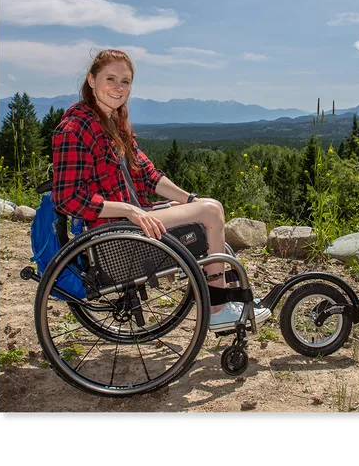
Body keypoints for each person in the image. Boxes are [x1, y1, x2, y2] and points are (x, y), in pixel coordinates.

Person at [51, 49, 270, 332]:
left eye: (125, 81)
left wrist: (190, 199)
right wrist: (130, 211)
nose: (119, 87)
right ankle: (218, 309)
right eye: (111, 79)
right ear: (92, 80)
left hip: (128, 223)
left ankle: (225, 298)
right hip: (114, 239)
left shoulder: (113, 123)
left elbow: (149, 175)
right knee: (211, 212)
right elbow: (67, 198)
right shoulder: (74, 128)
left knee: (208, 206)